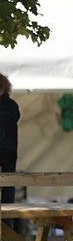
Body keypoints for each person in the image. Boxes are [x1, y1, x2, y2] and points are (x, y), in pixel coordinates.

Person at [0, 73, 18, 204]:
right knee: (9, 186)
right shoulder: (13, 105)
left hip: (4, 146)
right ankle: (7, 222)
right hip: (11, 149)